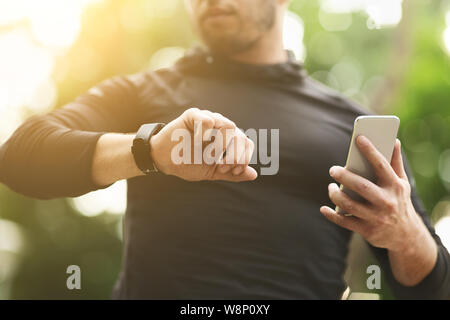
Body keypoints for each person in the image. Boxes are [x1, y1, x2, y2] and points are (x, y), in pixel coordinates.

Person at [0, 0, 449, 299]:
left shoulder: (353, 126)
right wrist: (150, 151)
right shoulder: (143, 93)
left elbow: (432, 287)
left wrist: (404, 234)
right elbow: (21, 158)